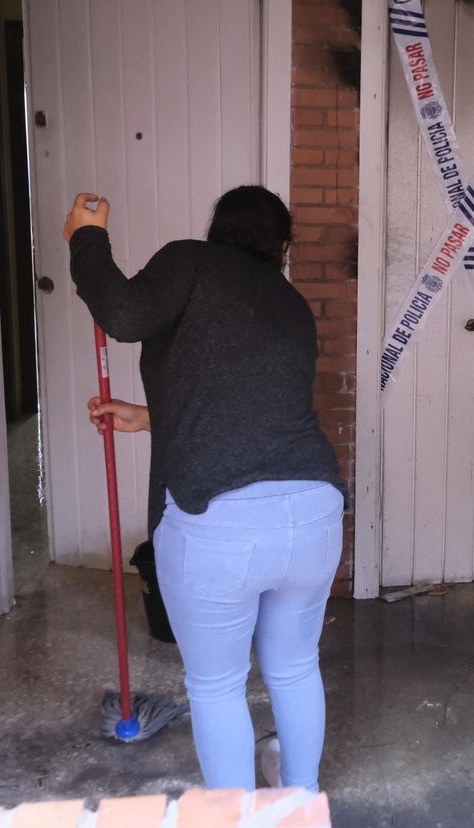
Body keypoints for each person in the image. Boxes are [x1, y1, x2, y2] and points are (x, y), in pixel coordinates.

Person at [64, 186, 345, 792]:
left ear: (218, 229)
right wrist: (149, 416)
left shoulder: (190, 261)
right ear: (283, 246)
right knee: (295, 668)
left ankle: (236, 815)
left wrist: (85, 237)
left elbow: (124, 314)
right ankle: (299, 800)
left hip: (218, 522)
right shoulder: (291, 303)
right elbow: (251, 410)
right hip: (315, 510)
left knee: (217, 686)